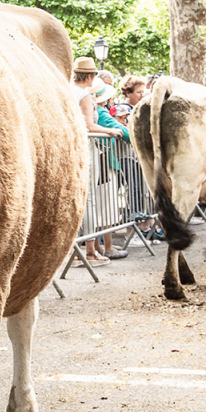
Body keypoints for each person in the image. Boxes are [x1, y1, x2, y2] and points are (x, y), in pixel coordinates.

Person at [73, 58, 125, 264]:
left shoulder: (67, 90)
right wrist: (111, 130)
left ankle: (78, 250)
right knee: (90, 199)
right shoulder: (83, 94)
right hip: (87, 149)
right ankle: (90, 251)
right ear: (89, 76)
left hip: (73, 148)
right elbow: (89, 125)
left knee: (78, 199)